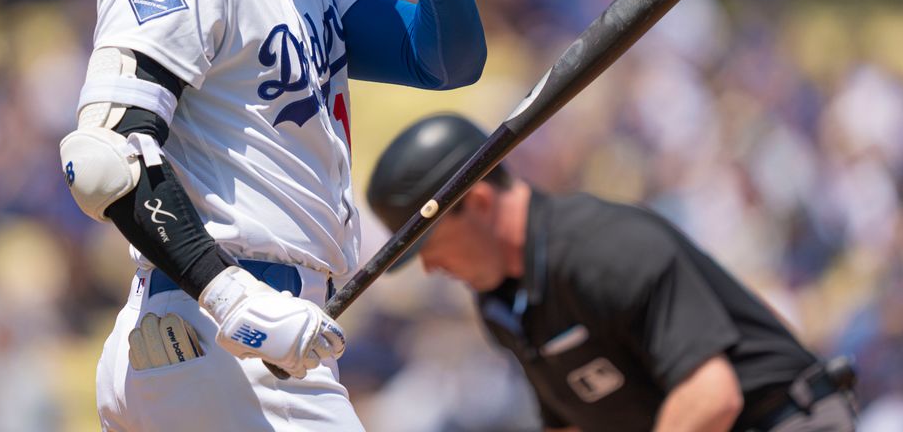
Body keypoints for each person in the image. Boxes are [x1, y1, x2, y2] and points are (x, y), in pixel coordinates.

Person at [59, 0, 487, 431]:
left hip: (247, 341)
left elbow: (444, 61)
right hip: (220, 333)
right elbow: (105, 158)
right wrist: (231, 298)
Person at [367, 113, 859, 432]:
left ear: (476, 202)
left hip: (787, 420)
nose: (429, 267)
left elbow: (711, 397)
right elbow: (570, 424)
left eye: (428, 245)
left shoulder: (601, 249)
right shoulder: (501, 302)